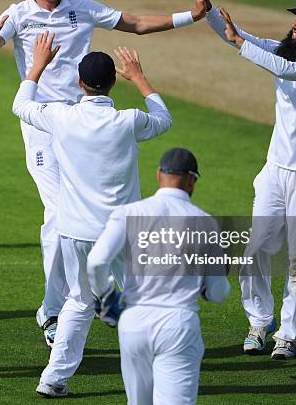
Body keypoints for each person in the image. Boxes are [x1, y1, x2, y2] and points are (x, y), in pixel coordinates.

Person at [0, 0, 212, 346]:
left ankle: (90, 298)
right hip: (42, 126)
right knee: (57, 217)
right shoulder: (18, 15)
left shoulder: (82, 8)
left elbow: (137, 23)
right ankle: (54, 311)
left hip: (82, 125)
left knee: (89, 216)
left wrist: (192, 15)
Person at [12, 32, 172, 397]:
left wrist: (36, 68)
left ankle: (53, 380)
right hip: (119, 233)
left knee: (79, 301)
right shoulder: (128, 120)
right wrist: (140, 78)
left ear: (78, 82)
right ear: (114, 82)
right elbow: (163, 119)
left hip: (75, 232)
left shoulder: (60, 117)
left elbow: (20, 106)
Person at [204, 0, 296, 359]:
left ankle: (288, 334)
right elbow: (236, 35)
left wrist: (238, 43)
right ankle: (258, 323)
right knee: (255, 250)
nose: (295, 25)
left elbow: (286, 70)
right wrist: (206, 10)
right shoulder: (282, 50)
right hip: (274, 171)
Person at [87, 148, 230, 405]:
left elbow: (97, 261)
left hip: (133, 323)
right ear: (191, 180)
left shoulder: (128, 213)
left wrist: (105, 295)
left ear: (159, 175)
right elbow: (218, 294)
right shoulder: (205, 223)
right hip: (178, 324)